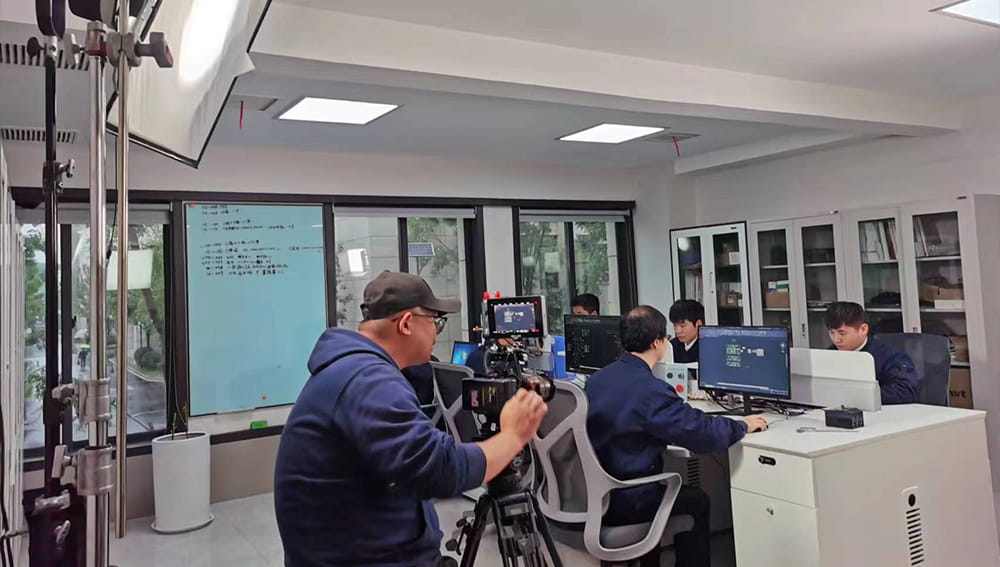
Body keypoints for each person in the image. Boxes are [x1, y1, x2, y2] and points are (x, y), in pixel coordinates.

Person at [274, 272, 549, 567]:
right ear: (406, 323)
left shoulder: (353, 369)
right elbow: (439, 469)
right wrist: (513, 435)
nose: (436, 332)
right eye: (435, 321)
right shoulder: (369, 380)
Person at [586, 306, 768, 567]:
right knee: (697, 501)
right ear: (658, 343)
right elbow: (699, 433)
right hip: (631, 499)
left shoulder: (597, 380)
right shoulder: (650, 390)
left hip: (599, 494)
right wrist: (741, 426)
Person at [825, 301, 918, 405]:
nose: (836, 340)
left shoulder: (890, 356)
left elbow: (905, 391)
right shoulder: (830, 354)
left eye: (842, 333)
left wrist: (857, 397)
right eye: (832, 332)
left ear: (863, 329)